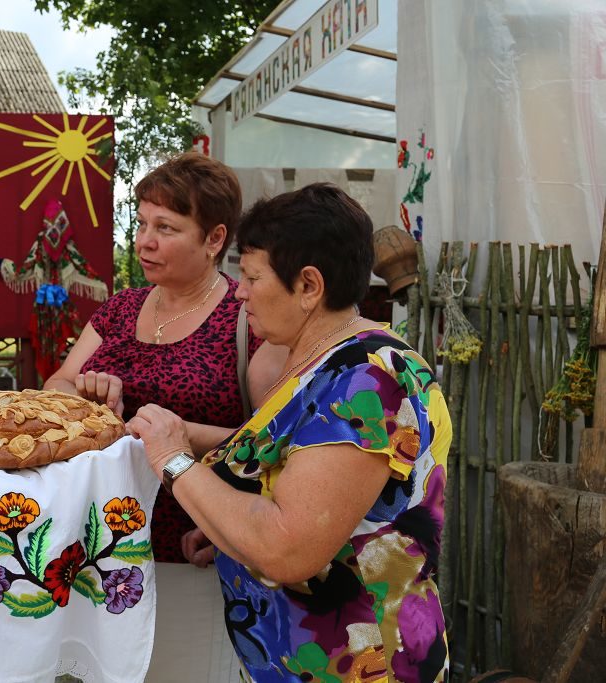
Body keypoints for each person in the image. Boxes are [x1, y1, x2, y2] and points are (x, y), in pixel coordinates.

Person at [128, 183, 451, 682]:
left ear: (308, 286)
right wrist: (231, 533)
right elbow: (295, 470)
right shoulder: (323, 361)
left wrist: (174, 460)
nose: (239, 292)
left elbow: (289, 548)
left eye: (253, 277)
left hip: (356, 665)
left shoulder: (367, 378)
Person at [45, 152, 286, 681]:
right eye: (143, 223)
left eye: (167, 228)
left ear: (214, 238)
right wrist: (82, 390)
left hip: (191, 554)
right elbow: (55, 385)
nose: (145, 240)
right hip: (95, 550)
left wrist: (177, 437)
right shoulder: (121, 308)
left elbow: (274, 444)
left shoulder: (249, 320)